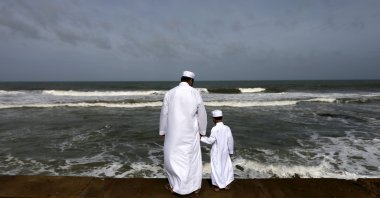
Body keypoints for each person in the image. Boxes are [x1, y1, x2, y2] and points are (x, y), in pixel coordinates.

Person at [159, 70, 207, 195]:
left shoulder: (170, 93)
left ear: (182, 79)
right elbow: (201, 113)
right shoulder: (195, 93)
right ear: (191, 80)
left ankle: (176, 185)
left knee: (173, 158)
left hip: (173, 132)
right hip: (191, 132)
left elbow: (164, 113)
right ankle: (195, 187)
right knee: (192, 158)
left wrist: (162, 130)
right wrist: (202, 130)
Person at [201, 110, 234, 191]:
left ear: (214, 119)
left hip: (216, 152)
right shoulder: (227, 128)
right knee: (225, 167)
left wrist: (201, 138)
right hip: (225, 152)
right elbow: (230, 140)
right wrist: (231, 151)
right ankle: (226, 185)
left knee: (216, 168)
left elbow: (210, 141)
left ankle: (217, 186)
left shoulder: (214, 129)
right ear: (221, 117)